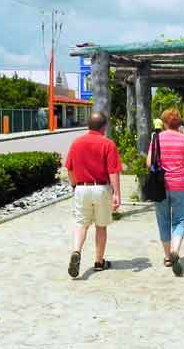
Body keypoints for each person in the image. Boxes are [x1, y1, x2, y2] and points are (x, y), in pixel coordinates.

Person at [64, 112, 122, 278]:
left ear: (88, 125)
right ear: (104, 127)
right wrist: (117, 193)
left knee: (81, 224)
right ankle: (99, 261)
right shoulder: (108, 144)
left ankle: (76, 251)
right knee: (101, 226)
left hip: (81, 188)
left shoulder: (76, 143)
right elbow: (113, 172)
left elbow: (69, 168)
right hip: (101, 188)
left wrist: (75, 185)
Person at [147, 108, 184, 276]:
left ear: (165, 123)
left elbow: (149, 163)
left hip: (160, 186)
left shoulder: (157, 139)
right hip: (180, 186)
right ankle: (175, 250)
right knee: (180, 220)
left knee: (163, 220)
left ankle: (168, 257)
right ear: (178, 123)